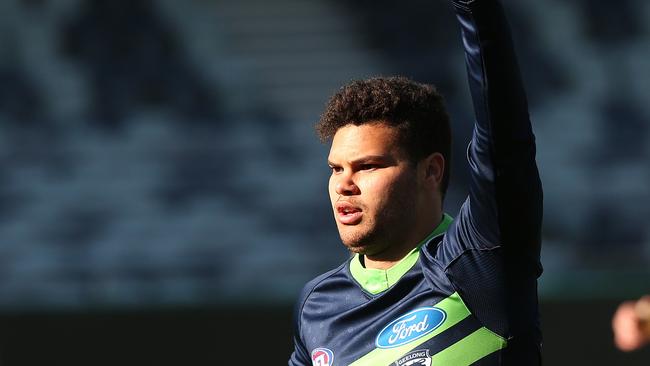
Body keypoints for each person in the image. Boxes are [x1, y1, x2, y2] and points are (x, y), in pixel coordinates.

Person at [288, 0, 543, 364]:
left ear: (431, 171)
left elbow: (503, 138)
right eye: (336, 168)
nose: (344, 184)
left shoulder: (480, 265)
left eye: (369, 166)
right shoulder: (316, 305)